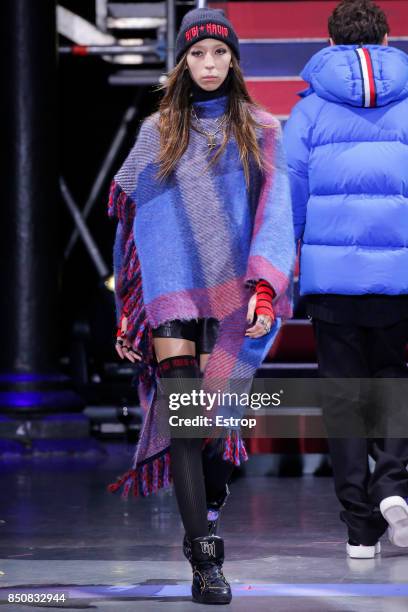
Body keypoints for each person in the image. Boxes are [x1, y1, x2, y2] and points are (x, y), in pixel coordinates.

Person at [107, 8, 295, 604]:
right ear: (182, 61)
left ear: (233, 59)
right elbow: (130, 222)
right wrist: (128, 307)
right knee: (187, 425)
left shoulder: (260, 127)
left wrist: (265, 284)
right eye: (197, 55)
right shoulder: (156, 133)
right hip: (169, 292)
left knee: (214, 424)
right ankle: (204, 560)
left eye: (219, 53)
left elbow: (275, 213)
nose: (209, 65)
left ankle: (210, 506)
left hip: (233, 290)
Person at [284, 0, 408, 560]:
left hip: (331, 281)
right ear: (388, 37)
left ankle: (360, 528)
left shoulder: (309, 112)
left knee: (341, 397)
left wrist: (287, 263)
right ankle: (395, 485)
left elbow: (290, 194)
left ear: (329, 44)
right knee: (394, 379)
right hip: (400, 275)